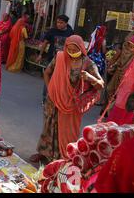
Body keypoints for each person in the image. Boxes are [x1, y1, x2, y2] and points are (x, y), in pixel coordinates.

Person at [32, 35, 104, 163]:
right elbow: (47, 72)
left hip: (71, 105)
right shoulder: (60, 57)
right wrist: (51, 90)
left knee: (67, 131)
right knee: (49, 126)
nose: (71, 52)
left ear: (81, 48)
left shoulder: (88, 63)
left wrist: (89, 77)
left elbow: (100, 84)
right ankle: (44, 153)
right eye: (69, 49)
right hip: (53, 100)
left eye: (74, 50)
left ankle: (63, 157)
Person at [106, 34, 134, 125]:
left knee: (115, 129)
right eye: (131, 47)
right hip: (125, 99)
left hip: (126, 102)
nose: (132, 50)